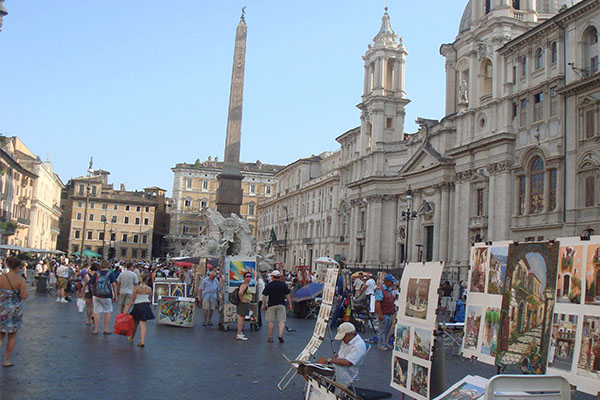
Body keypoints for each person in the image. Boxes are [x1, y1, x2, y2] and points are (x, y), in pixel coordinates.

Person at [317, 322, 367, 389]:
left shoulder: (358, 345)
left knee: (317, 371)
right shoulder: (347, 340)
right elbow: (339, 355)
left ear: (351, 335)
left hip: (346, 370)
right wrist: (329, 362)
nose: (342, 339)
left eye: (344, 337)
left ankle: (322, 387)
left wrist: (329, 360)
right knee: (316, 367)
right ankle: (320, 386)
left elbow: (348, 362)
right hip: (338, 366)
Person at [0, 257, 27, 367]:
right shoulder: (20, 280)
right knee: (12, 335)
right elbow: (24, 296)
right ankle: (6, 360)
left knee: (0, 335)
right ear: (17, 268)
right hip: (15, 310)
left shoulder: (1, 278)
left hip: (2, 308)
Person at [125, 273, 155, 347]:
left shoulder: (136, 288)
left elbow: (132, 298)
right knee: (143, 324)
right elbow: (150, 297)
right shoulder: (149, 288)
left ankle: (132, 337)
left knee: (135, 323)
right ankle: (142, 341)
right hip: (146, 305)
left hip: (138, 305)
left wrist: (127, 309)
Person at [261, 270, 291, 343]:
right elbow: (287, 295)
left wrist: (263, 304)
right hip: (281, 304)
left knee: (271, 321)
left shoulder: (269, 285)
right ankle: (280, 335)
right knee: (281, 321)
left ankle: (270, 337)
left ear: (272, 277)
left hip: (271, 304)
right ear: (279, 277)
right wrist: (290, 304)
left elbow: (264, 295)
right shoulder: (283, 284)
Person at [91, 261, 117, 335]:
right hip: (107, 295)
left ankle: (96, 329)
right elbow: (114, 285)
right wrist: (115, 295)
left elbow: (92, 284)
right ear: (108, 266)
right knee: (107, 311)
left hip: (96, 295)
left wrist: (93, 292)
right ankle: (105, 329)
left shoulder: (97, 273)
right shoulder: (110, 273)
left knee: (96, 312)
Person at [375, 274, 397, 351]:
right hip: (384, 313)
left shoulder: (389, 290)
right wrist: (380, 314)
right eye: (391, 282)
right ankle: (381, 345)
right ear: (387, 282)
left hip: (389, 313)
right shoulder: (380, 290)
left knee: (388, 329)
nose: (393, 283)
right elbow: (378, 303)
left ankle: (386, 343)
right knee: (382, 330)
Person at [235, 272, 253, 341]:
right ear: (244, 278)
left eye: (250, 276)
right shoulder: (244, 285)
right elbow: (240, 292)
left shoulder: (246, 285)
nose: (249, 278)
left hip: (245, 303)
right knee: (241, 318)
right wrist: (242, 300)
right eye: (247, 276)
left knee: (242, 318)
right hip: (243, 304)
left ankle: (240, 332)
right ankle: (239, 334)